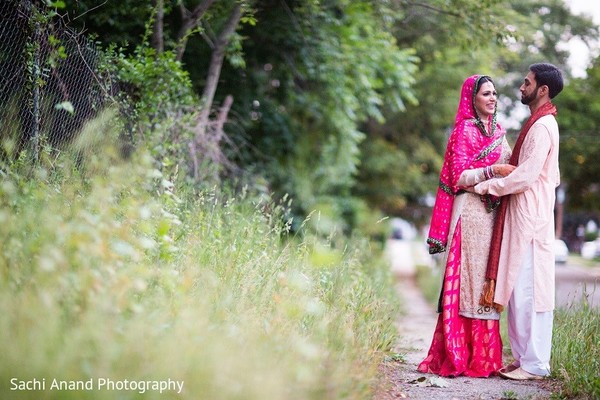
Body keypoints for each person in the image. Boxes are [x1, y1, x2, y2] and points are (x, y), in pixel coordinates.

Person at [418, 75, 515, 377]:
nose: (492, 98)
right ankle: (459, 356)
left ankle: (484, 359)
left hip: (492, 216)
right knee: (467, 282)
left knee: (486, 281)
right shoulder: (463, 131)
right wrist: (492, 170)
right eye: (486, 93)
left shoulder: (499, 131)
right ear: (471, 98)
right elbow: (458, 176)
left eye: (495, 94)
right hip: (469, 214)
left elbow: (513, 162)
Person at [474, 63, 564, 380]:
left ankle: (536, 363)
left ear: (543, 90)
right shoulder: (535, 123)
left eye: (527, 83)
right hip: (523, 213)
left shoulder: (542, 127)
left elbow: (525, 175)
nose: (521, 87)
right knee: (516, 287)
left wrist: (489, 185)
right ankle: (524, 357)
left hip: (532, 215)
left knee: (531, 290)